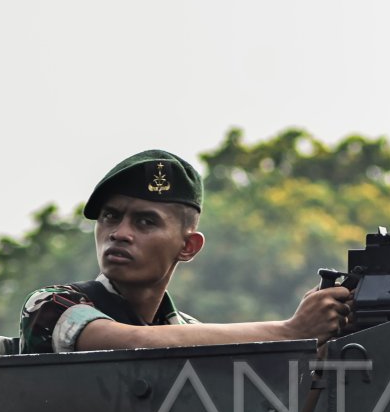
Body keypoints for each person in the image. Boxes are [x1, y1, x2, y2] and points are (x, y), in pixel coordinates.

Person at [20, 149, 352, 353]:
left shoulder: (189, 330)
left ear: (188, 247)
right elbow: (135, 344)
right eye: (111, 216)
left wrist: (320, 348)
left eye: (145, 222)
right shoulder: (53, 306)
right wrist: (291, 332)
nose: (120, 233)